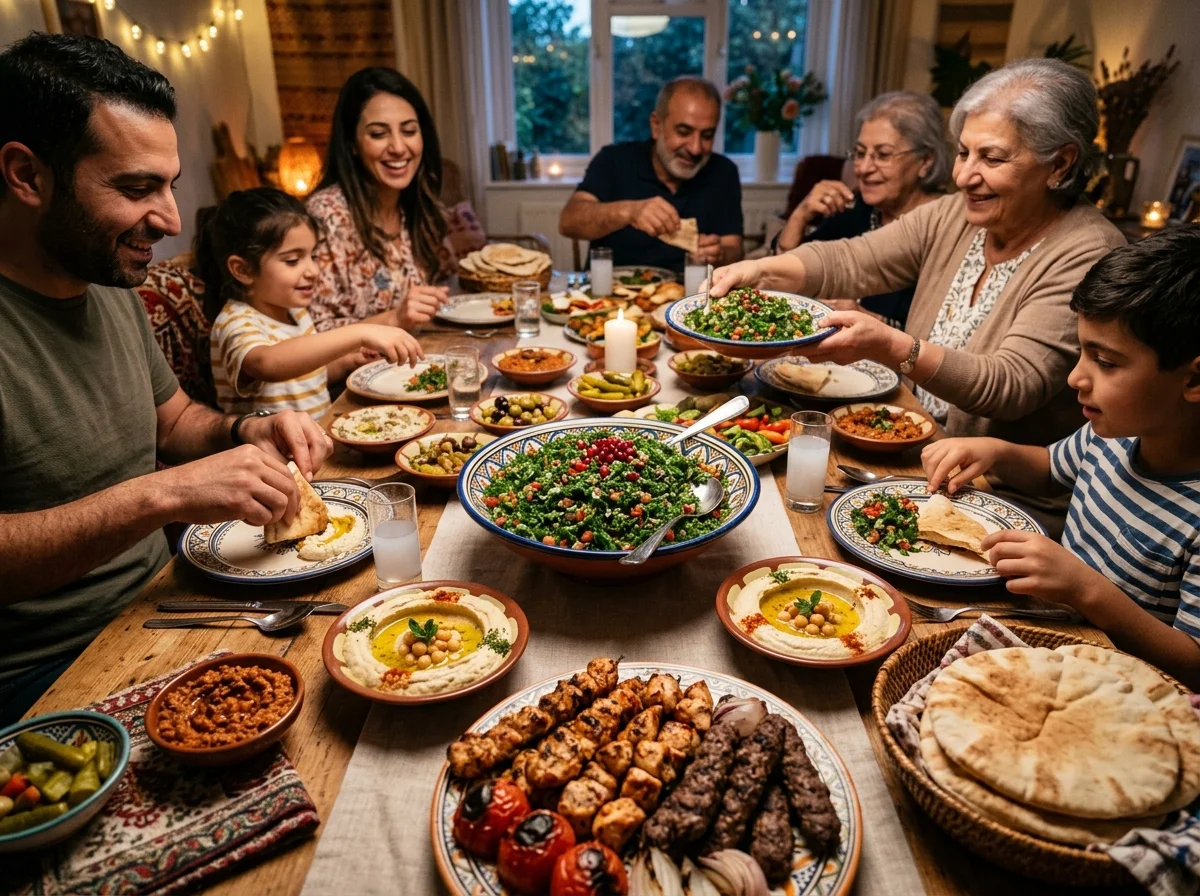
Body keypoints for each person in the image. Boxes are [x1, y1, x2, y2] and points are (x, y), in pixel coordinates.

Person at [0, 34, 331, 726]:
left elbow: (174, 420)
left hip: (168, 602)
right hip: (44, 671)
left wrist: (250, 429)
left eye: (170, 185)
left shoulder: (107, 277)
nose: (173, 221)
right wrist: (165, 495)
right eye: (135, 187)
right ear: (26, 176)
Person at [711, 58, 1126, 530]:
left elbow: (1011, 385)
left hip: (997, 498)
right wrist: (759, 267)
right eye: (963, 153)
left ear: (1061, 163)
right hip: (911, 446)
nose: (965, 175)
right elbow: (853, 259)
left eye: (991, 158)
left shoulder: (1088, 249)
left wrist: (892, 348)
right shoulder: (955, 215)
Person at [922, 228, 1200, 688]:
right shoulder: (1109, 435)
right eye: (1081, 353)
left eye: (1105, 362)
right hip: (1051, 638)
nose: (1076, 378)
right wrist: (995, 452)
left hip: (1119, 689)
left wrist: (1087, 590)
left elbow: (1192, 664)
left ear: (1192, 381)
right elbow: (1050, 469)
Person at [198, 187, 424, 420]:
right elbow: (269, 363)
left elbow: (305, 377)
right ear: (243, 270)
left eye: (313, 256)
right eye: (293, 261)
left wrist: (346, 363)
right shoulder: (235, 321)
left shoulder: (296, 313)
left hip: (318, 438)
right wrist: (360, 333)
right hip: (270, 454)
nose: (314, 271)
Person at [774, 91, 949, 329]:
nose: (863, 168)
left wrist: (870, 320)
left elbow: (944, 337)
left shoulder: (946, 227)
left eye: (883, 155)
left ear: (926, 161)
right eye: (860, 153)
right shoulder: (858, 208)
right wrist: (800, 214)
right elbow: (786, 278)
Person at [306, 67, 450, 333]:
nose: (397, 147)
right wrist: (394, 319)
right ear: (352, 144)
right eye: (378, 134)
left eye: (408, 131)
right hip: (349, 374)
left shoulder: (415, 206)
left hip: (410, 366)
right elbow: (312, 335)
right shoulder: (326, 215)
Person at [559, 76, 743, 271]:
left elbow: (734, 249)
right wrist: (629, 212)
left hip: (688, 297)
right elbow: (569, 222)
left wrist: (718, 254)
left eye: (707, 136)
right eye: (683, 132)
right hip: (611, 295)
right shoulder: (613, 160)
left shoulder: (723, 173)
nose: (696, 149)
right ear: (656, 126)